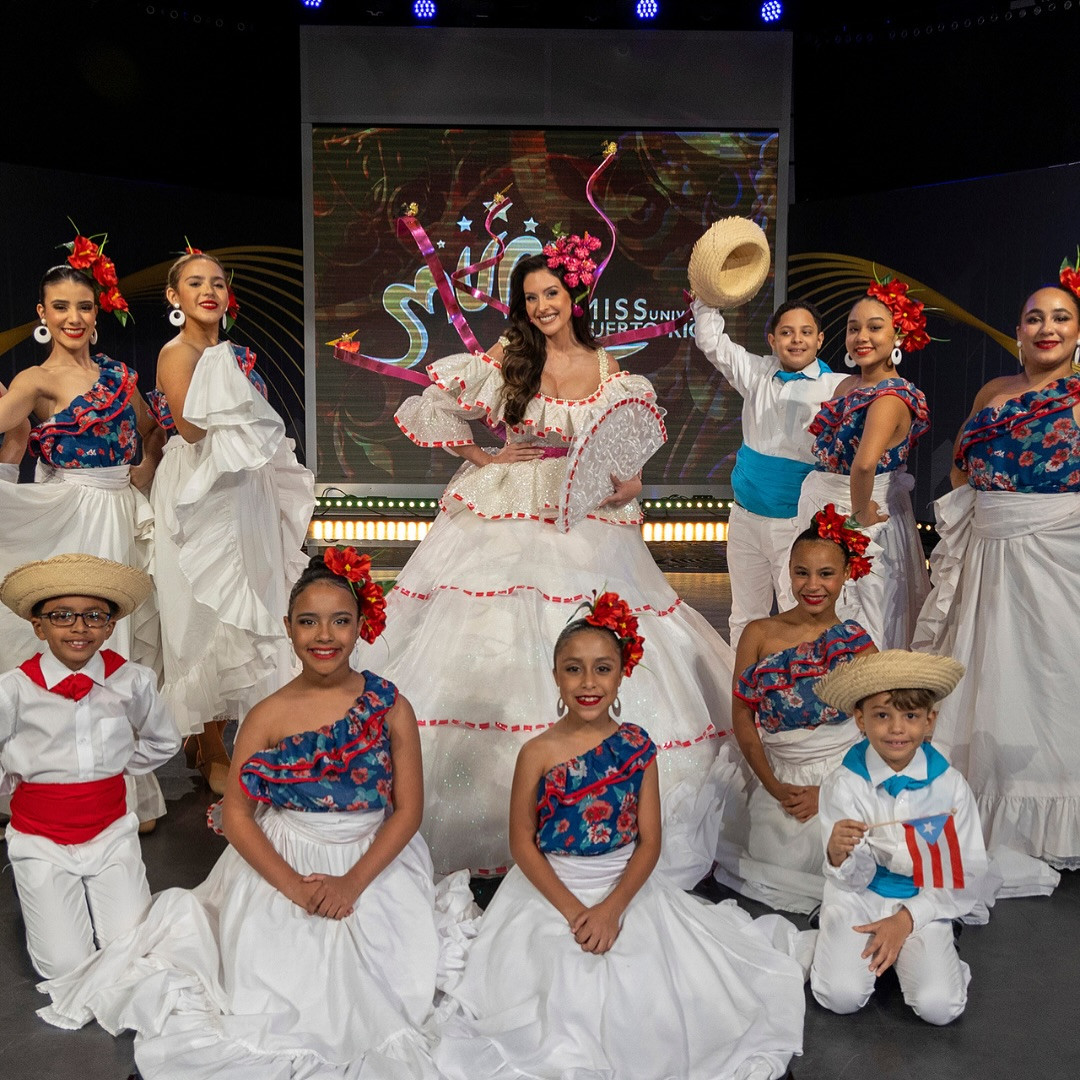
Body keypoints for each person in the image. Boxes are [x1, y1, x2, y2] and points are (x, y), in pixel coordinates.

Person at [38, 550, 474, 1079]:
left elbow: (408, 810)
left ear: (362, 625)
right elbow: (240, 815)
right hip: (286, 856)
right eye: (308, 622)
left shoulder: (391, 706)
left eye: (341, 621)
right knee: (281, 979)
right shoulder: (267, 716)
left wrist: (351, 884)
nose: (325, 636)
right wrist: (294, 886)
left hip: (370, 858)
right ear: (288, 629)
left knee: (388, 985)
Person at [369, 250, 735, 875]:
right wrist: (486, 460)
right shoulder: (512, 360)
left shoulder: (611, 369)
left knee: (596, 621)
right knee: (486, 629)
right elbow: (429, 405)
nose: (542, 307)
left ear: (574, 297)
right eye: (532, 297)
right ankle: (487, 815)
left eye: (551, 294)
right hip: (509, 507)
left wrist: (629, 485)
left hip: (586, 512)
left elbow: (628, 447)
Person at [434, 596, 810, 1080]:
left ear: (620, 675)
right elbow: (523, 843)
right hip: (551, 892)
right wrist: (575, 913)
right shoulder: (537, 752)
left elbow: (649, 841)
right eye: (574, 669)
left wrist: (611, 910)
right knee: (556, 991)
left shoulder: (636, 746)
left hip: (624, 888)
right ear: (555, 675)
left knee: (649, 993)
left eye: (602, 669)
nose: (588, 683)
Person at [914, 276, 1080, 869]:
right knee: (990, 674)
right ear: (1017, 333)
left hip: (1060, 561)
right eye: (1034, 318)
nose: (1047, 328)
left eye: (1060, 318)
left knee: (1055, 680)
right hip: (991, 555)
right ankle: (982, 806)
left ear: (1077, 332)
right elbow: (960, 468)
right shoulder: (993, 391)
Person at [0, 239, 167, 828]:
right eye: (60, 307)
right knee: (72, 632)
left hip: (119, 512)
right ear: (42, 315)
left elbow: (152, 431)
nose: (73, 317)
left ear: (98, 313)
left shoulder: (121, 376)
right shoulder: (35, 381)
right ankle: (51, 780)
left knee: (112, 641)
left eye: (84, 307)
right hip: (69, 513)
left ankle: (123, 794)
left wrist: (138, 482)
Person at [148, 248, 314, 794]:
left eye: (217, 282)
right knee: (201, 609)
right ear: (175, 297)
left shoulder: (233, 355)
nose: (209, 291)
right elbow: (192, 430)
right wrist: (220, 374)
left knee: (248, 604)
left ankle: (229, 735)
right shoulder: (180, 353)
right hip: (200, 485)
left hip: (244, 487)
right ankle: (208, 741)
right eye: (195, 283)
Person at [0, 554, 179, 979]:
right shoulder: (13, 689)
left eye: (93, 616)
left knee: (130, 954)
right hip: (40, 838)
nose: (79, 628)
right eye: (62, 616)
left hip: (111, 833)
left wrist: (114, 767)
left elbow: (164, 739)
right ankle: (43, 892)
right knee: (63, 966)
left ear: (109, 626)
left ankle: (84, 896)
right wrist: (12, 778)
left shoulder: (132, 681)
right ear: (38, 625)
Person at [708, 506, 877, 913]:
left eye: (825, 574)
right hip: (780, 778)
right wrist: (772, 785)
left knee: (854, 868)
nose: (813, 585)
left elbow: (878, 731)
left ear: (846, 574)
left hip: (843, 782)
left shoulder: (857, 642)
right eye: (802, 572)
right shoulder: (760, 634)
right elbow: (742, 719)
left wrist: (832, 794)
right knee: (773, 867)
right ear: (788, 571)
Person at [809, 649, 986, 1026]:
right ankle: (836, 936)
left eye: (910, 716)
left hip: (926, 897)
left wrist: (908, 919)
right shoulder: (845, 782)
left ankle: (929, 949)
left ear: (930, 721)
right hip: (861, 896)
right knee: (839, 997)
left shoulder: (950, 787)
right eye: (882, 715)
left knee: (940, 1008)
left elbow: (965, 869)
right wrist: (839, 854)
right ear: (860, 719)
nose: (896, 729)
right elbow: (851, 876)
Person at [693, 297, 848, 646]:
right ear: (772, 340)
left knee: (798, 613)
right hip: (745, 517)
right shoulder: (758, 373)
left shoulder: (836, 387)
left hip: (794, 523)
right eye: (787, 332)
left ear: (820, 339)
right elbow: (712, 342)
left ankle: (795, 691)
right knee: (746, 616)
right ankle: (744, 692)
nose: (796, 340)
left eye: (806, 332)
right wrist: (705, 299)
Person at [796, 279, 932, 650]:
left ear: (898, 335)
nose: (861, 336)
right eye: (854, 327)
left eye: (875, 327)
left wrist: (860, 515)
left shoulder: (890, 396)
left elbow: (863, 466)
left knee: (862, 614)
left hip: (858, 520)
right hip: (827, 508)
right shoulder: (848, 386)